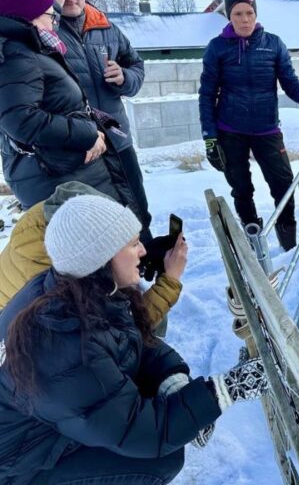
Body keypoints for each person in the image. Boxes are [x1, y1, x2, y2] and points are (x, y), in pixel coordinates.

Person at [0, 194, 268, 484]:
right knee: (160, 459)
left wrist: (172, 380)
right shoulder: (62, 344)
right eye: (132, 244)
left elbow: (128, 338)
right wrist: (226, 390)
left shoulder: (76, 287)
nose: (143, 250)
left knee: (155, 405)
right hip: (20, 463)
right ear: (100, 258)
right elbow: (145, 433)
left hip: (49, 422)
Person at [35, 0, 152, 242]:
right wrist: (45, 6)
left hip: (117, 137)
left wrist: (125, 77)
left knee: (137, 206)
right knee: (101, 221)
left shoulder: (106, 26)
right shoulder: (42, 30)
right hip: (82, 149)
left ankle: (146, 258)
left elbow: (136, 65)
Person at [199, 0, 299, 251]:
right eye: (238, 14)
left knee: (284, 186)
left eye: (249, 13)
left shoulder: (273, 44)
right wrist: (209, 137)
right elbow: (207, 95)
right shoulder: (217, 48)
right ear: (229, 16)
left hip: (267, 130)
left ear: (256, 14)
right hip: (230, 130)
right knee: (241, 189)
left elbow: (291, 85)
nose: (245, 20)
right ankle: (253, 236)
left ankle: (288, 243)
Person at [0, 0, 132, 212]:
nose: (54, 22)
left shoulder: (28, 50)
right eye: (50, 14)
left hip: (73, 173)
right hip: (60, 180)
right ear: (29, 16)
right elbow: (21, 120)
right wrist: (87, 133)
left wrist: (125, 79)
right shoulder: (16, 54)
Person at [0, 181, 184, 330]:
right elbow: (122, 332)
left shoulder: (58, 218)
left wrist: (137, 253)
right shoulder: (56, 279)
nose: (141, 249)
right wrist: (170, 281)